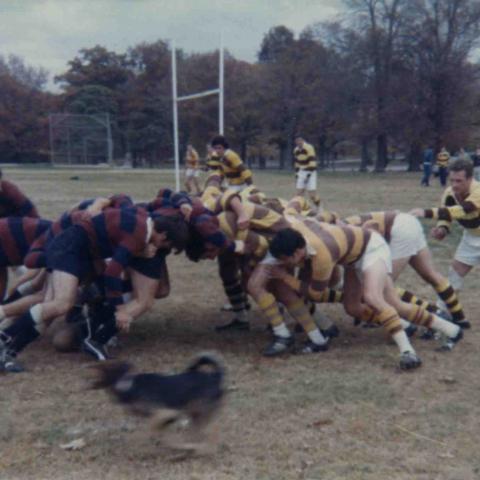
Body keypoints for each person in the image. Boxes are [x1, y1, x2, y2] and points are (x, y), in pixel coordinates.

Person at [249, 220, 462, 368]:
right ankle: (450, 329)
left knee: (374, 298)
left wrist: (285, 278)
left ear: (297, 252)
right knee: (354, 308)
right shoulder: (296, 233)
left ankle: (408, 352)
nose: (285, 264)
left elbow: (314, 293)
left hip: (372, 248)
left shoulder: (321, 256)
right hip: (353, 257)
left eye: (286, 260)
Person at [0, 210, 189, 373]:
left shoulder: (140, 225)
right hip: (68, 249)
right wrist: (121, 309)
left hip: (72, 249)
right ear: (163, 235)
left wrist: (138, 252)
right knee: (61, 303)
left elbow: (113, 246)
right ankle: (5, 338)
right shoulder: (138, 234)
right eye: (167, 245)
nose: (162, 248)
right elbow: (112, 272)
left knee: (52, 305)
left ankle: (10, 350)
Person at [410, 158, 479, 325]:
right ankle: (442, 315)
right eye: (452, 180)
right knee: (453, 276)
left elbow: (462, 210)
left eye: (459, 181)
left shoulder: (478, 190)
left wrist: (425, 212)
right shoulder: (449, 193)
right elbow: (447, 216)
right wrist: (442, 229)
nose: (454, 185)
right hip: (471, 237)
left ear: (470, 179)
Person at [293, 136, 321, 208]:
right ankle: (299, 210)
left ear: (302, 140)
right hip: (301, 172)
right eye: (297, 141)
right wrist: (297, 174)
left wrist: (308, 176)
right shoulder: (296, 150)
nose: (298, 143)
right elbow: (297, 163)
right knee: (299, 194)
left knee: (312, 195)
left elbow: (312, 162)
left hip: (310, 172)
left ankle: (319, 207)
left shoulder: (309, 148)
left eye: (300, 141)